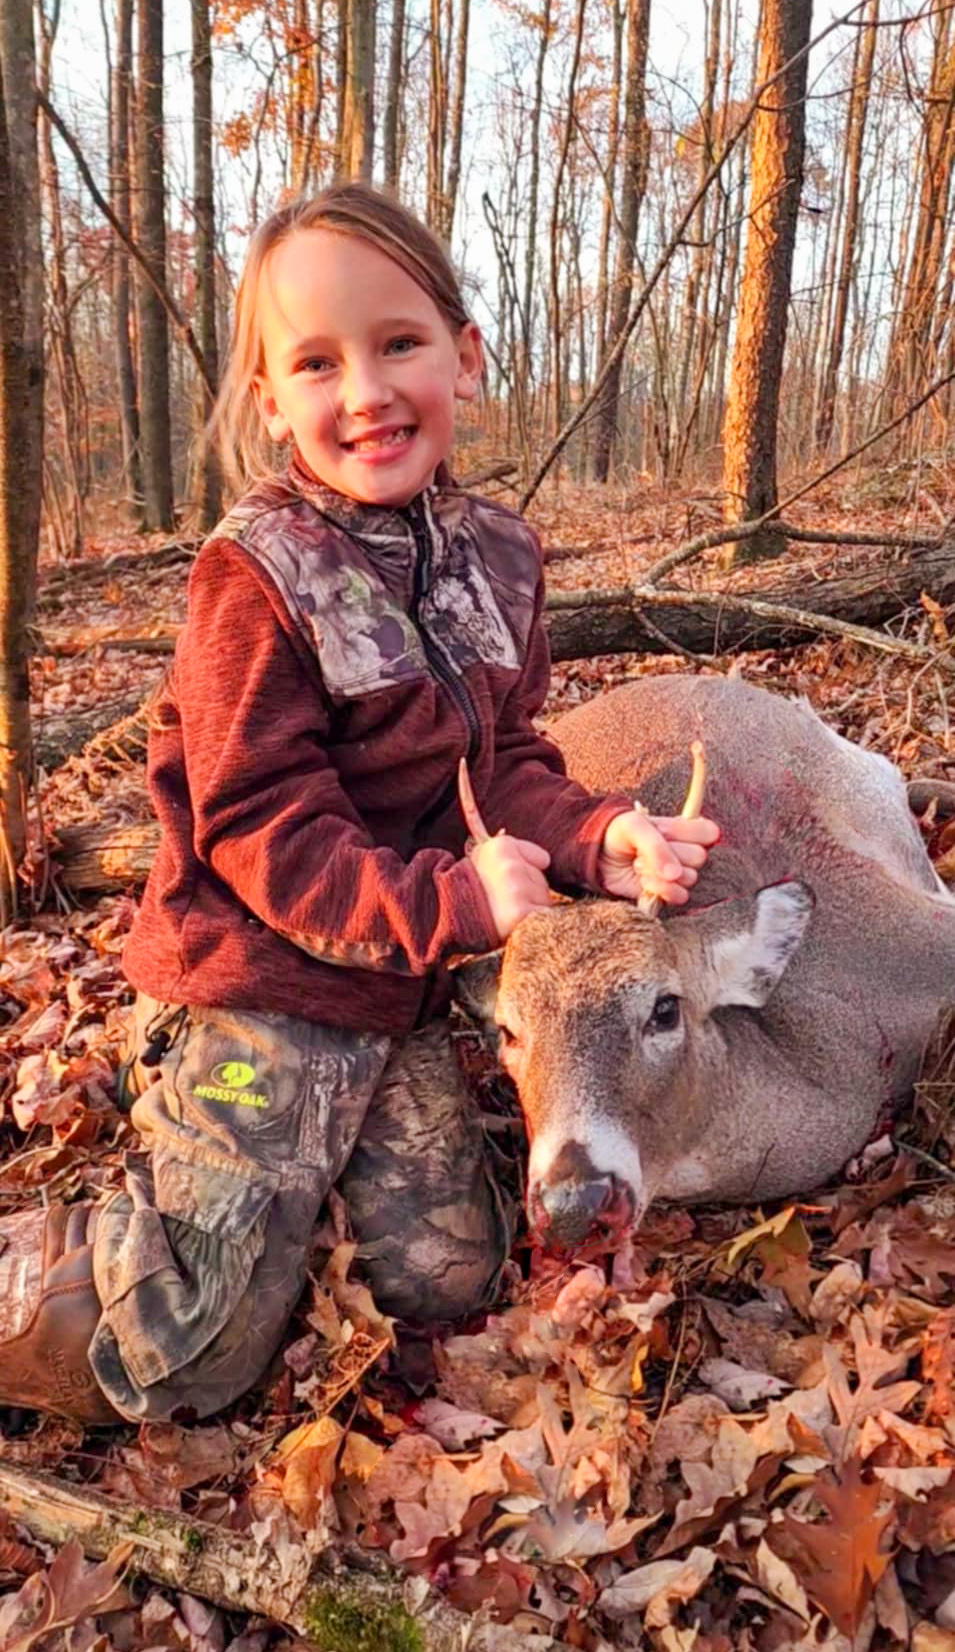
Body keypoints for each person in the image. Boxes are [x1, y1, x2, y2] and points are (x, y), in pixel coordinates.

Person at [0, 184, 718, 1425]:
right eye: (318, 362)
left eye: (398, 344)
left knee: (448, 1277)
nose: (366, 392)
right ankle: (121, 1199)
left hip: (396, 989)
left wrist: (595, 834)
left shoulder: (497, 553)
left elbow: (503, 760)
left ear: (464, 355)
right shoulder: (254, 577)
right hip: (260, 984)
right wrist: (451, 896)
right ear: (272, 399)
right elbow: (256, 822)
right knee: (185, 1354)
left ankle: (271, 1187)